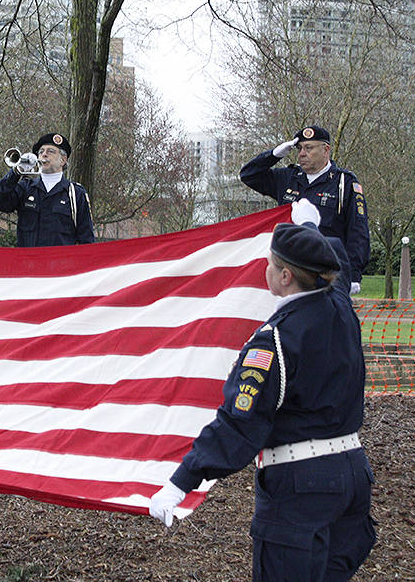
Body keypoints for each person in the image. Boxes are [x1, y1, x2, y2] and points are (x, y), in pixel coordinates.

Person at [149, 209, 376, 582]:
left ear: (285, 277)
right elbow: (337, 260)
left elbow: (239, 424)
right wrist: (308, 227)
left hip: (300, 486)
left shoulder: (274, 342)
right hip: (351, 477)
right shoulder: (339, 306)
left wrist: (180, 483)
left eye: (272, 264)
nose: (266, 269)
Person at [240, 125, 370, 293]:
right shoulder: (288, 178)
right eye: (300, 148)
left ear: (326, 150)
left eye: (309, 148)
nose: (302, 153)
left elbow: (357, 232)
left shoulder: (344, 183)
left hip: (327, 273)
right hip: (292, 271)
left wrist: (353, 275)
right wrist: (273, 155)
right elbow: (248, 175)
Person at [0, 132, 95, 246]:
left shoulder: (76, 193)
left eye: (50, 151)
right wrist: (16, 172)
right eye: (41, 152)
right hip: (29, 261)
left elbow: (86, 239)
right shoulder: (26, 187)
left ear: (63, 160)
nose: (44, 155)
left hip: (61, 262)